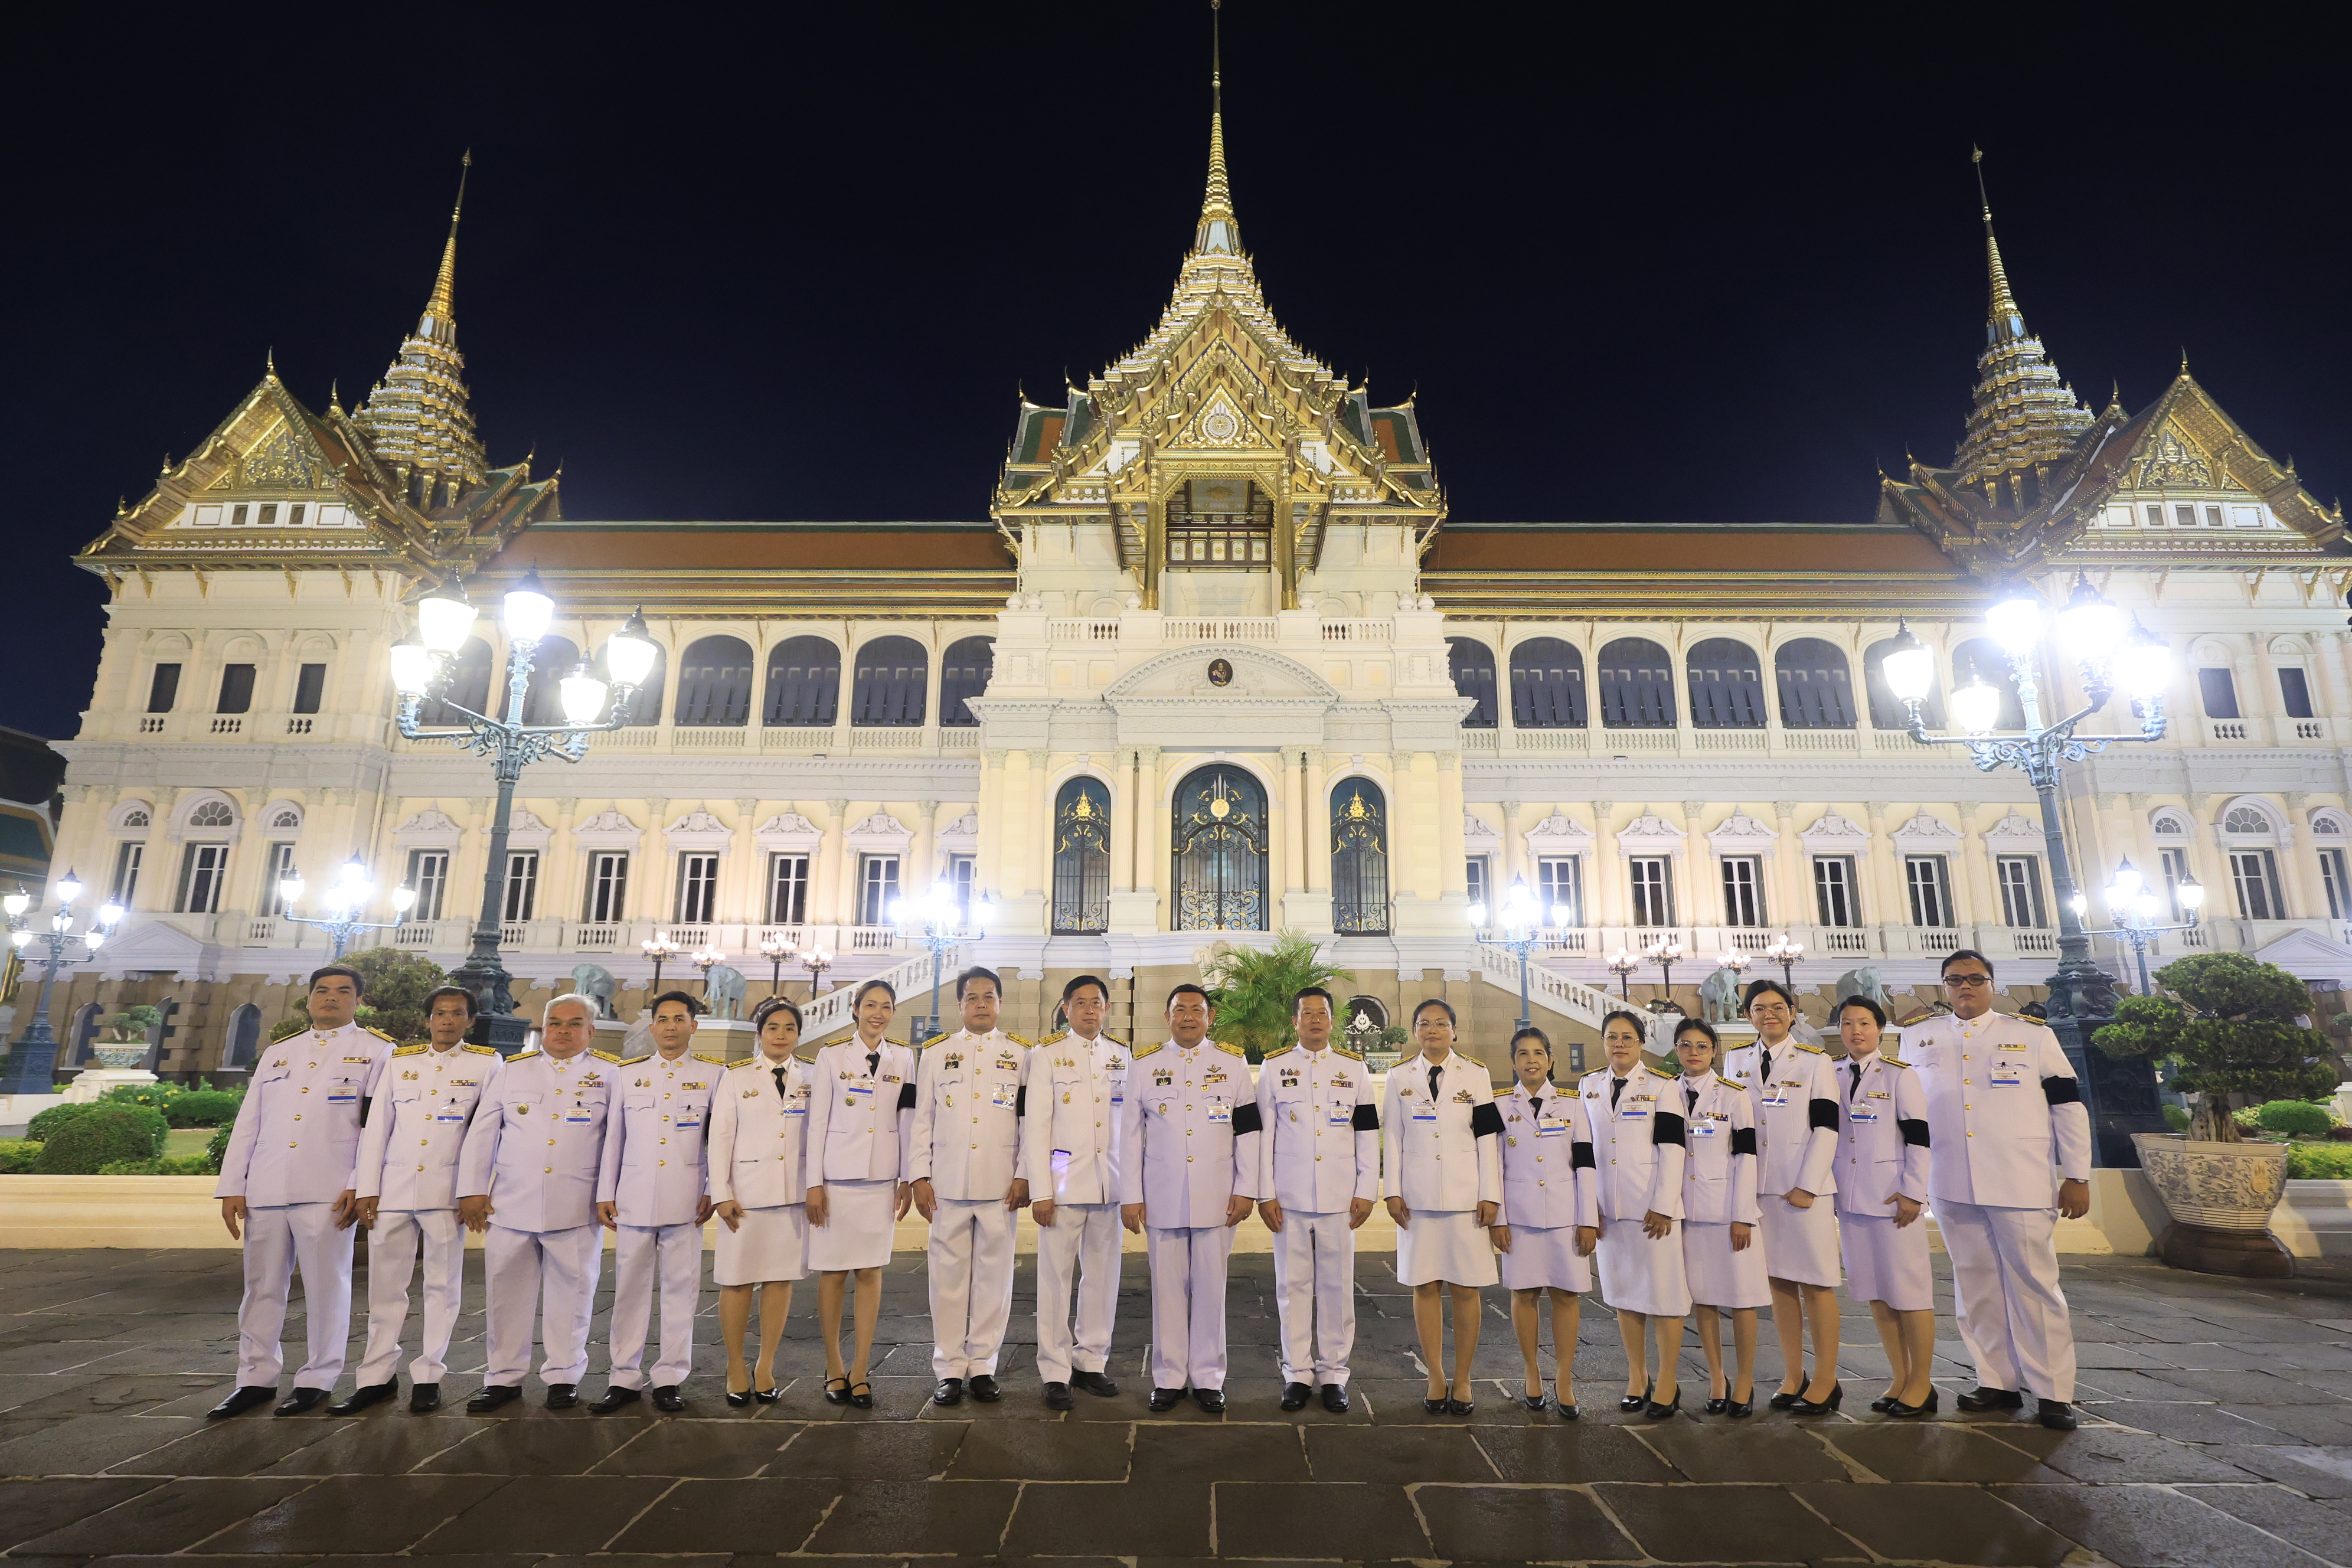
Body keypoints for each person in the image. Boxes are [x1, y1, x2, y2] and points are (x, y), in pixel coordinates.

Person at [1900, 950, 2091, 1431]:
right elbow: (1906, 1114)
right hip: (1952, 1179)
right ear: (1943, 987)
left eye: (1974, 979)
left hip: (2019, 1178)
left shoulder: (2031, 1034)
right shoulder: (1917, 1037)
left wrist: (2077, 1174)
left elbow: (2068, 1106)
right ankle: (1997, 1380)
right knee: (1975, 1284)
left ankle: (2052, 1391)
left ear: (1991, 983)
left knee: (2035, 1283)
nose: (1965, 987)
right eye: (1955, 980)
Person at [208, 964, 397, 1419]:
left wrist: (359, 1183)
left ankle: (318, 1378)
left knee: (326, 1287)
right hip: (269, 1184)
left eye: (342, 992)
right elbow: (249, 1122)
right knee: (261, 1287)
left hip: (329, 1188)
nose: (330, 998)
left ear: (358, 1001)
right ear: (310, 999)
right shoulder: (280, 1052)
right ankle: (255, 1378)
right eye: (322, 991)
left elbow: (377, 1127)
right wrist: (234, 1185)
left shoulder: (377, 1052)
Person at [341, 985, 504, 1415]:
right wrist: (366, 1187)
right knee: (384, 1289)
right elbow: (377, 1128)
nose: (447, 1020)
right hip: (393, 1190)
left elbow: (486, 1134)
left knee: (442, 1288)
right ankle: (375, 1376)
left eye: (457, 1014)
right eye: (440, 1013)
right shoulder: (399, 1062)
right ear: (428, 1019)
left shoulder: (486, 1064)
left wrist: (474, 1189)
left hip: (446, 1193)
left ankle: (429, 1375)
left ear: (470, 1020)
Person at [457, 994, 619, 1412]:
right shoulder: (513, 1071)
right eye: (555, 1023)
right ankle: (503, 1377)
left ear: (591, 1030)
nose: (563, 1031)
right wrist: (473, 1189)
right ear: (542, 1027)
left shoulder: (611, 1075)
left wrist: (609, 1194)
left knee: (574, 1293)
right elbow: (483, 1134)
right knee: (505, 1294)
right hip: (512, 1202)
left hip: (576, 1203)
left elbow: (618, 1142)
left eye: (574, 1023)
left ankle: (564, 1376)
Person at [1120, 982, 1261, 1413]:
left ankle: (1208, 1377)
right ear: (1168, 1017)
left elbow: (1249, 1130)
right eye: (1179, 1010)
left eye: (1196, 1010)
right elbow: (1127, 1136)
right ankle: (1168, 1377)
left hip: (1217, 1195)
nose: (1187, 1017)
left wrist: (1246, 1187)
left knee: (1211, 1287)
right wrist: (1130, 1194)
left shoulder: (1232, 1064)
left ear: (1209, 1017)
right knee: (1167, 1289)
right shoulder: (1144, 1065)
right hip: (1162, 1194)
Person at [1252, 986, 1380, 1413]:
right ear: (1295, 1021)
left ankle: (1333, 1373)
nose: (1315, 1020)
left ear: (1332, 1020)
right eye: (1307, 1014)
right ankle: (1297, 1372)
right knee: (1291, 1286)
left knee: (1337, 1286)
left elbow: (1366, 1134)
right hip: (1287, 1196)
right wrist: (1265, 1192)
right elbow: (1264, 1136)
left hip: (1339, 1195)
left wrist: (1366, 1189)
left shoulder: (1354, 1070)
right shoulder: (1274, 1068)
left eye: (1322, 1013)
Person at [592, 990, 722, 1413]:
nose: (670, 1026)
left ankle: (670, 1376)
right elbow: (614, 1139)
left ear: (693, 1026)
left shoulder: (712, 1075)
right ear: (652, 1027)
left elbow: (717, 1142)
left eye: (679, 1019)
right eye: (663, 1019)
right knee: (629, 1290)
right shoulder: (627, 1075)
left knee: (681, 1290)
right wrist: (605, 1192)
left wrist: (712, 1189)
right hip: (634, 1196)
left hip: (686, 1198)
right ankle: (623, 1377)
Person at [909, 966, 1031, 1406]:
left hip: (1000, 1182)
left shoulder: (1021, 1054)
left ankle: (983, 1365)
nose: (981, 1004)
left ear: (1000, 1003)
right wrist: (919, 1176)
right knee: (947, 1279)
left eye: (989, 997)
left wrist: (1025, 1173)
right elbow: (922, 1120)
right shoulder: (937, 1053)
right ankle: (949, 1367)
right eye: (973, 997)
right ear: (959, 1005)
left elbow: (1028, 1122)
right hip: (948, 1182)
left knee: (994, 1279)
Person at [1724, 978, 1844, 1415]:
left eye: (1777, 1007)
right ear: (1748, 1015)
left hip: (1802, 1191)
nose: (1768, 1015)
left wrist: (1808, 1185)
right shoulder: (1735, 1060)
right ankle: (1794, 1374)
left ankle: (1828, 1378)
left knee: (1816, 1283)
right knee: (1777, 1285)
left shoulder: (1815, 1062)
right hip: (1758, 1191)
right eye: (1759, 1008)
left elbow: (1828, 1127)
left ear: (1792, 1012)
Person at [1382, 998, 1501, 1416]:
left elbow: (1488, 1139)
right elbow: (1392, 1139)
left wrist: (1491, 1194)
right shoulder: (1399, 1077)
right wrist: (1391, 1191)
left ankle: (1464, 1377)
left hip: (1466, 1197)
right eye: (1423, 1024)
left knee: (1466, 1289)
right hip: (1416, 1200)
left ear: (1454, 1030)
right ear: (1414, 1031)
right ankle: (1435, 1374)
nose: (1432, 1030)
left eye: (1440, 1024)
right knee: (1425, 1286)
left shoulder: (1476, 1074)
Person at [804, 978, 914, 1409]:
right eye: (870, 1005)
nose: (878, 1013)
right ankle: (834, 1366)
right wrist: (814, 1183)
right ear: (855, 1009)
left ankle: (861, 1369)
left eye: (886, 1006)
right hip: (836, 1180)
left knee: (870, 1274)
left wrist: (907, 1176)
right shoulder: (832, 1056)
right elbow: (817, 1124)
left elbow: (907, 1119)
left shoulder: (904, 1057)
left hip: (880, 1180)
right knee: (832, 1274)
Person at [1579, 1008, 1690, 1419]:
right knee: (1625, 1297)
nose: (1619, 1044)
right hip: (1609, 1210)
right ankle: (1636, 1377)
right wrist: (1588, 1204)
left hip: (1650, 1210)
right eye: (1612, 1037)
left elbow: (1673, 1148)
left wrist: (1663, 1205)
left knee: (1664, 1297)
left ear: (1641, 1042)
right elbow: (1585, 1151)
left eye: (1627, 1037)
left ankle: (1667, 1381)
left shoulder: (1662, 1086)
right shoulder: (1589, 1085)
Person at [1027, 974, 1128, 1409]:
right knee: (1055, 1279)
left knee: (1103, 1278)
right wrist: (1041, 1190)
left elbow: (1132, 1127)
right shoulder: (1047, 1055)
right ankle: (1054, 1369)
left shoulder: (1122, 1056)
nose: (1090, 1010)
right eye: (1080, 1003)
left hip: (1110, 1182)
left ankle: (1091, 1361)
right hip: (1063, 1182)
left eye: (1097, 1003)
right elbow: (1036, 1126)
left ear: (1107, 1009)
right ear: (1066, 1009)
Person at [1832, 994, 1935, 1417]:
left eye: (1864, 1024)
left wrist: (1914, 1191)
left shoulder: (1899, 1075)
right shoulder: (1833, 1073)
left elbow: (1919, 1137)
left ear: (1879, 1029)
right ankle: (1900, 1376)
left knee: (1909, 1292)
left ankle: (1923, 1383)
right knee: (1877, 1293)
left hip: (1894, 1198)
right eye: (1847, 1024)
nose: (1856, 1031)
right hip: (1852, 1198)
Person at [708, 995, 812, 1406]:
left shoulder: (813, 1076)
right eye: (773, 1028)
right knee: (736, 1282)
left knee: (779, 1280)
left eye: (789, 1028)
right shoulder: (736, 1077)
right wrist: (721, 1193)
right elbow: (720, 1138)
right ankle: (735, 1365)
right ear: (759, 1034)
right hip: (746, 1196)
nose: (781, 1035)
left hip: (791, 1194)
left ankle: (766, 1364)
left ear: (799, 1035)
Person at [1490, 1025, 1593, 1419]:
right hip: (1519, 1216)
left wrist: (1588, 1219)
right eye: (1522, 1054)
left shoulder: (1573, 1103)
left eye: (1538, 1053)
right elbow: (1492, 1166)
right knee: (1524, 1295)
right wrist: (1497, 1218)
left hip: (1566, 1216)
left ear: (1551, 1060)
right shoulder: (1499, 1105)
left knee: (1566, 1296)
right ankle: (1532, 1372)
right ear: (1513, 1061)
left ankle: (1564, 1377)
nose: (1531, 1060)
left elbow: (1586, 1162)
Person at [1672, 1017, 1765, 1418]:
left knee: (1742, 1300)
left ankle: (1744, 1381)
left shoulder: (1733, 1096)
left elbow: (1747, 1156)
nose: (1694, 1052)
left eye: (1702, 1046)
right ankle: (1716, 1378)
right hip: (1686, 1212)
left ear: (1714, 1051)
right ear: (1677, 1050)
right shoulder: (1664, 1093)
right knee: (1703, 1301)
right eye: (1685, 1045)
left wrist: (1742, 1214)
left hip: (1728, 1212)